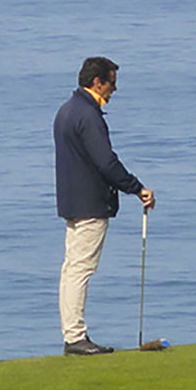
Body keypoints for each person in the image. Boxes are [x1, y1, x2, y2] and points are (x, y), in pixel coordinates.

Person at [54, 57, 155, 355]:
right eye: (111, 82)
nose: (114, 89)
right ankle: (75, 337)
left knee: (71, 269)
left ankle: (72, 333)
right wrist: (137, 188)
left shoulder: (66, 110)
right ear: (97, 82)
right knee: (80, 270)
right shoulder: (88, 115)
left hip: (72, 202)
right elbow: (106, 163)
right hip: (89, 204)